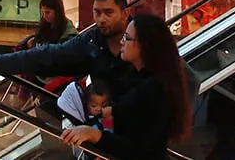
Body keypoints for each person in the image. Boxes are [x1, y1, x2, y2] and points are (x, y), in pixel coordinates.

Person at [60, 13, 193, 160]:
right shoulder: (138, 78)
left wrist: (95, 134)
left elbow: (137, 148)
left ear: (145, 45)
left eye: (128, 38)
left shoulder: (154, 88)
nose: (122, 42)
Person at [0, 0, 138, 100]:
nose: (101, 19)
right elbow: (49, 55)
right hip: (104, 131)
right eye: (97, 13)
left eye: (109, 13)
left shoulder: (145, 38)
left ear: (125, 13)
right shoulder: (91, 41)